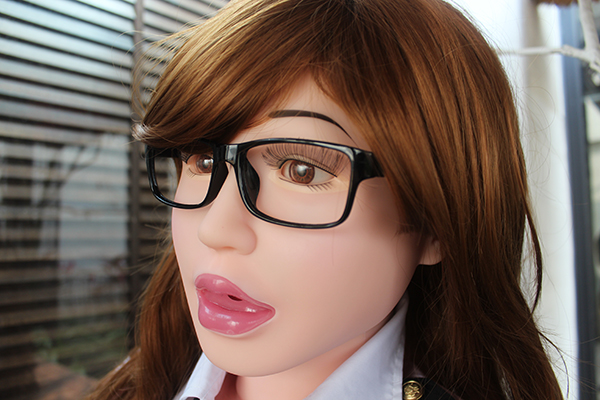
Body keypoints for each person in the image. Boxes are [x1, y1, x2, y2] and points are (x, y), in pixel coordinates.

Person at [86, 0, 564, 399]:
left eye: (302, 170)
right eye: (204, 161)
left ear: (435, 223)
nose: (216, 228)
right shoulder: (139, 383)